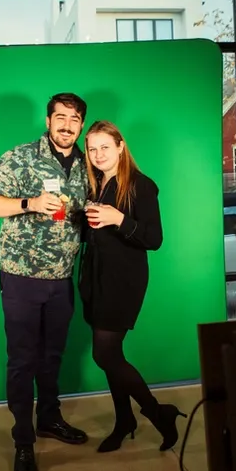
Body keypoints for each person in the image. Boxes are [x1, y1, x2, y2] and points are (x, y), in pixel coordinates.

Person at [0, 93, 89, 471]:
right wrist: (29, 202)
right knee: (22, 360)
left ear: (80, 126)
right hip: (21, 276)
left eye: (74, 119)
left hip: (61, 278)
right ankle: (23, 441)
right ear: (48, 121)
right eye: (59, 117)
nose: (66, 125)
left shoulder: (86, 164)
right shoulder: (19, 156)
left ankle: (49, 419)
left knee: (52, 357)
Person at [79, 120, 186, 453]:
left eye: (104, 147)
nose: (98, 155)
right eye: (92, 149)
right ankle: (124, 420)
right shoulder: (95, 185)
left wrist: (118, 219)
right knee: (112, 355)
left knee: (104, 353)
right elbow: (91, 235)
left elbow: (154, 239)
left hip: (123, 281)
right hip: (95, 278)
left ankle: (157, 412)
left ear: (121, 146)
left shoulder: (141, 185)